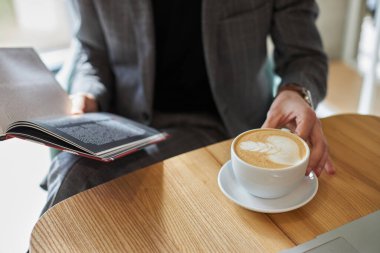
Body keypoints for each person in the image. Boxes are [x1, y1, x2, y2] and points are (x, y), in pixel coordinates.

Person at [41, 0, 335, 214]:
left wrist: (297, 92)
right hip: (126, 122)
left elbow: (305, 55)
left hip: (222, 128)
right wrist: (86, 93)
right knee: (74, 177)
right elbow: (90, 49)